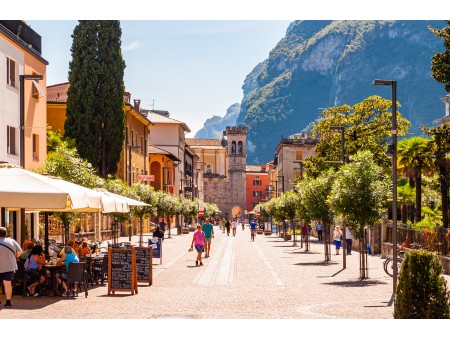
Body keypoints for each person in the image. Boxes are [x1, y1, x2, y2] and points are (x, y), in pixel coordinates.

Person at [0, 226, 23, 308]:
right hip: (10, 266)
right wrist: (14, 257)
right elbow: (20, 252)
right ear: (6, 234)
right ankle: (8, 302)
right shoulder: (12, 241)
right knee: (7, 284)